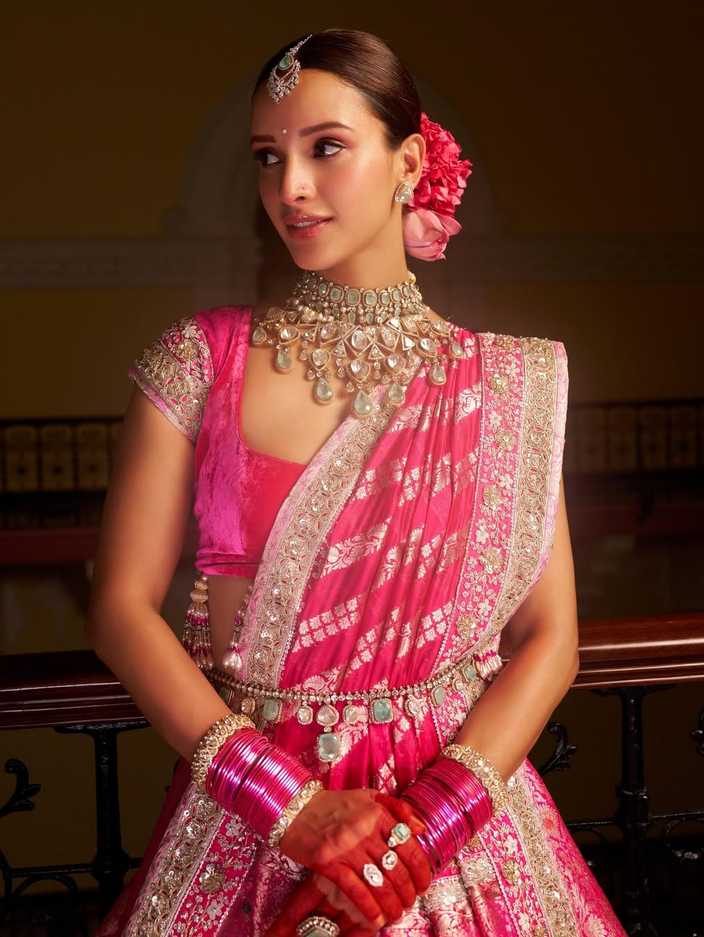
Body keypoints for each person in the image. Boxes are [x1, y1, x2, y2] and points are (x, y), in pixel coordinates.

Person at [88, 28, 627, 937]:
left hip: (459, 828)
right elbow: (120, 608)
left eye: (325, 148)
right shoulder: (201, 362)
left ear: (409, 162)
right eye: (268, 157)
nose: (290, 187)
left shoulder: (504, 383)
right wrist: (293, 808)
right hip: (255, 816)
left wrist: (422, 832)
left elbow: (551, 636)